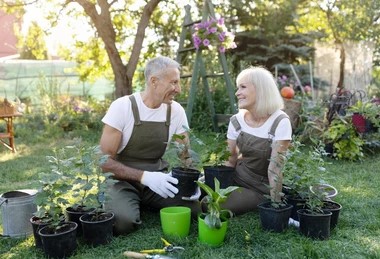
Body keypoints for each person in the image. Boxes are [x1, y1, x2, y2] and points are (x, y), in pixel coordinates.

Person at [99, 56, 200, 235]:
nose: (178, 89)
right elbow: (103, 162)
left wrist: (192, 181)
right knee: (123, 223)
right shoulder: (122, 107)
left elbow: (185, 154)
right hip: (122, 181)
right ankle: (121, 200)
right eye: (174, 83)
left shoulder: (175, 111)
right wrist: (145, 177)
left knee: (195, 209)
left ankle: (144, 201)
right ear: (154, 81)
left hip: (158, 181)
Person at [222, 66, 292, 215]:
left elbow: (275, 169)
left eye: (243, 87)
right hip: (237, 177)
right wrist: (219, 185)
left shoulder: (279, 121)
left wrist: (275, 206)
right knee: (198, 191)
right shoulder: (237, 120)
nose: (237, 93)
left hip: (258, 188)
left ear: (260, 89)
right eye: (237, 87)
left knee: (212, 205)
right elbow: (230, 159)